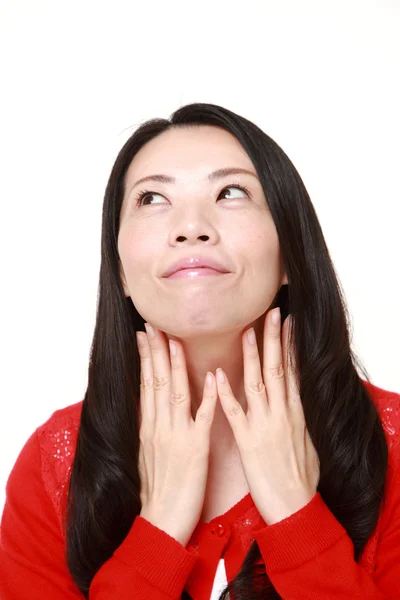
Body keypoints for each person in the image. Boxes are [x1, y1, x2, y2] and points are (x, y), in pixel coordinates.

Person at [1, 102, 399, 600]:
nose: (191, 227)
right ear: (120, 271)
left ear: (289, 255)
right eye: (151, 198)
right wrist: (160, 526)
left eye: (231, 192)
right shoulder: (54, 464)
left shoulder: (394, 443)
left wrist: (298, 516)